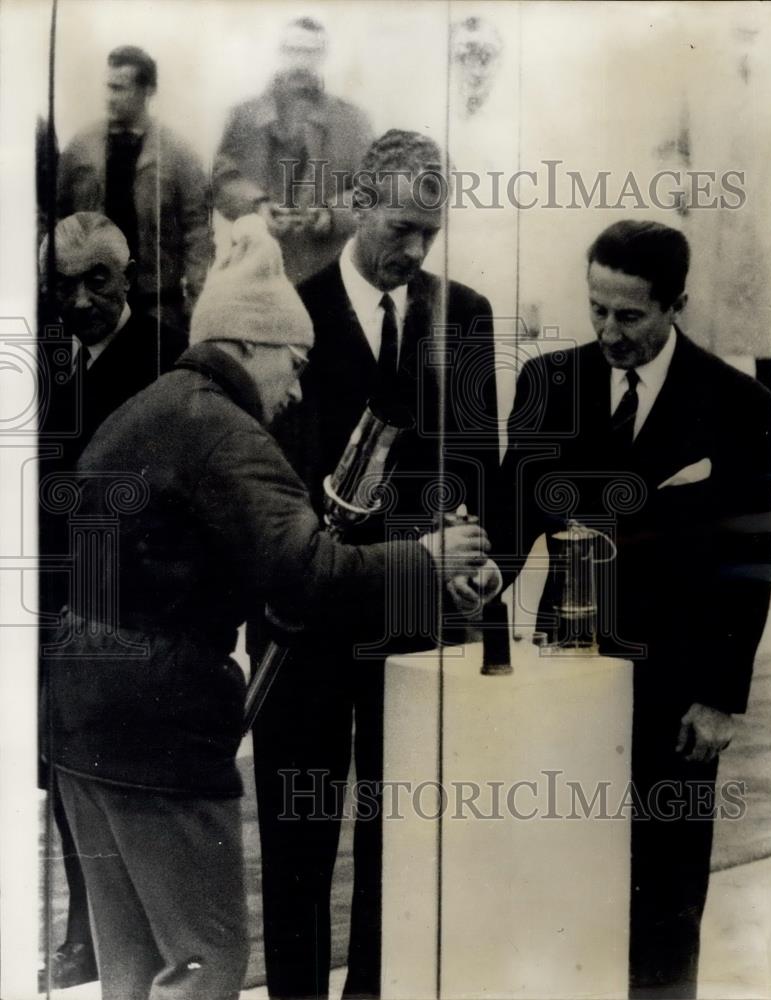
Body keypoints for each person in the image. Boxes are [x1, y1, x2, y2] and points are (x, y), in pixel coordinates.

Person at [42, 218, 490, 1000]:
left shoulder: (152, 408)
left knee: (132, 963)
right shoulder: (226, 433)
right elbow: (308, 573)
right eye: (297, 360)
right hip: (161, 730)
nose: (297, 385)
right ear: (251, 345)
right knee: (203, 962)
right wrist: (425, 562)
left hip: (81, 716)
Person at [497, 220, 771, 998]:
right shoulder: (548, 384)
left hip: (680, 688)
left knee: (668, 891)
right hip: (569, 672)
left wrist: (721, 696)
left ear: (674, 305)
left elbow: (750, 563)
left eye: (629, 316)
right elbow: (509, 527)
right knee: (562, 875)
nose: (608, 331)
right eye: (596, 309)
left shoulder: (738, 403)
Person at [253, 129, 501, 999]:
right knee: (295, 839)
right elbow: (267, 483)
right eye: (399, 226)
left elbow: (477, 466)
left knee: (402, 835)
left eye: (429, 234)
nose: (413, 250)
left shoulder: (463, 312)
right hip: (306, 621)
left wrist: (482, 564)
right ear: (359, 202)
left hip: (417, 618)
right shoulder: (284, 309)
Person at [37, 211, 184, 991]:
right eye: (66, 282)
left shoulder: (164, 352)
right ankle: (85, 927)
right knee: (66, 775)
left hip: (134, 604)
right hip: (60, 593)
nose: (84, 297)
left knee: (128, 779)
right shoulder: (42, 355)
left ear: (127, 275)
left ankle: (143, 933)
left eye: (99, 278)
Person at [57, 45, 210, 339]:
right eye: (108, 87)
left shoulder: (178, 154)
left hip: (157, 304)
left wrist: (196, 297)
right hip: (91, 303)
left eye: (120, 88)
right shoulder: (80, 149)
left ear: (147, 90)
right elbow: (54, 216)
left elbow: (197, 230)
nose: (109, 97)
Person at [213, 16, 372, 285]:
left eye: (310, 51)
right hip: (256, 267)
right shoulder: (244, 118)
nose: (301, 61)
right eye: (293, 50)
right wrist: (256, 206)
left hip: (326, 268)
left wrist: (332, 214)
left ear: (322, 56)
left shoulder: (352, 122)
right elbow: (222, 178)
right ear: (281, 52)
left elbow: (371, 188)